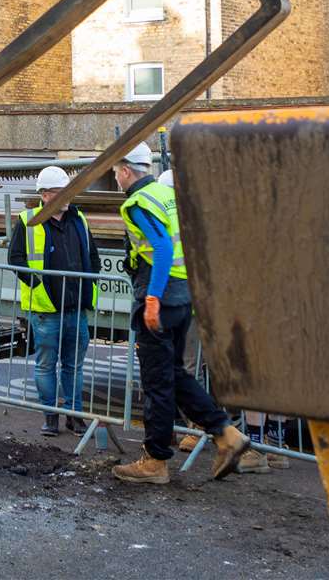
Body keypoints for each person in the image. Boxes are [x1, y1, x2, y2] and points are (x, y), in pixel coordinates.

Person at [110, 142, 251, 484]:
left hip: (160, 297)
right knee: (175, 374)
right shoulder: (166, 194)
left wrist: (153, 299)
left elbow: (160, 246)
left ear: (127, 170)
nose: (115, 178)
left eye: (115, 172)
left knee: (157, 382)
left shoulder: (138, 202)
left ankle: (155, 461)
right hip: (182, 296)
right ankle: (226, 433)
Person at [9, 165, 99, 437]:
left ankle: (74, 416)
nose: (67, 197)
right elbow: (16, 259)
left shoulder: (79, 220)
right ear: (45, 195)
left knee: (74, 366)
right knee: (46, 364)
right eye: (61, 192)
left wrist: (90, 280)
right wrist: (37, 284)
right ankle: (50, 417)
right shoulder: (28, 221)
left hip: (76, 308)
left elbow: (92, 256)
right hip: (46, 310)